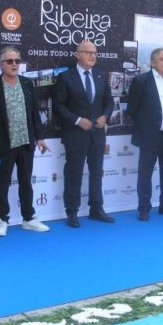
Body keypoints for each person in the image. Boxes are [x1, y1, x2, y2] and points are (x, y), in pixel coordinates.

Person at [0, 47, 50, 236]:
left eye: (17, 61)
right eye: (10, 61)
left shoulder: (27, 84)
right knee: (2, 182)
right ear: (1, 64)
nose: (14, 65)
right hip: (4, 144)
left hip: (26, 142)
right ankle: (2, 220)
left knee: (26, 181)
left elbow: (34, 114)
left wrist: (40, 138)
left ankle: (28, 218)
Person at [53, 41, 114, 227]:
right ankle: (72, 211)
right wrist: (78, 120)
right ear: (77, 55)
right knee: (74, 173)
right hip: (75, 134)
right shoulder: (65, 77)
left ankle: (96, 208)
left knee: (96, 172)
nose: (92, 56)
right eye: (88, 52)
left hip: (97, 134)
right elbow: (59, 106)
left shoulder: (102, 75)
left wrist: (105, 116)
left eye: (95, 53)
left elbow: (109, 102)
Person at [127, 48, 163, 221]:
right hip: (150, 136)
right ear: (153, 62)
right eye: (162, 59)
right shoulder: (141, 81)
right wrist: (147, 127)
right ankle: (144, 208)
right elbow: (132, 110)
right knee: (145, 174)